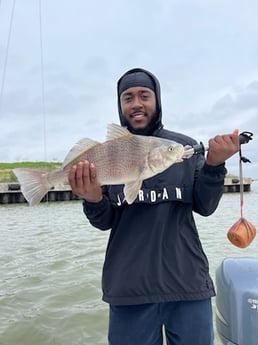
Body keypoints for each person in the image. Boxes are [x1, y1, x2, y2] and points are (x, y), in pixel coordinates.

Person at [68, 68, 239, 345]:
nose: (136, 103)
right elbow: (104, 221)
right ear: (120, 105)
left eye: (144, 95)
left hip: (187, 285)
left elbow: (206, 206)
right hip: (128, 289)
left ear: (156, 100)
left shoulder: (180, 147)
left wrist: (214, 165)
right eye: (128, 98)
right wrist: (93, 198)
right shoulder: (107, 154)